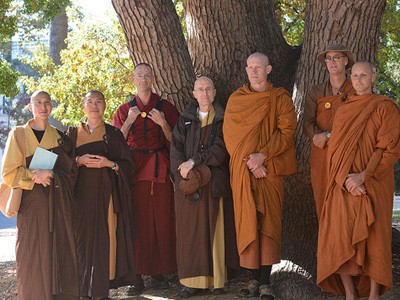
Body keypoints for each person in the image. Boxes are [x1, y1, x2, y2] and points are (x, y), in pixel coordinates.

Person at [317, 61, 400, 300]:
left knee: (376, 239)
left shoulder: (386, 107)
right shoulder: (344, 109)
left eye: (364, 75)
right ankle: (350, 294)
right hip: (343, 184)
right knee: (340, 235)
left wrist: (363, 176)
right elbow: (334, 150)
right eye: (354, 75)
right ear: (350, 78)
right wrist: (344, 179)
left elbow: (390, 149)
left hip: (373, 183)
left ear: (373, 78)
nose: (359, 79)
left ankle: (374, 295)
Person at [223, 52, 297, 299]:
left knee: (269, 225)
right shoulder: (237, 99)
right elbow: (231, 139)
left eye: (259, 67)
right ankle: (251, 280)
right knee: (247, 222)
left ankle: (265, 281)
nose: (254, 71)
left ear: (269, 69)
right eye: (250, 67)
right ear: (246, 70)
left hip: (271, 170)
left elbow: (287, 132)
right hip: (245, 172)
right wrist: (251, 162)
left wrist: (262, 156)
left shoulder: (280, 98)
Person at [1, 90, 79, 299]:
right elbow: (8, 173)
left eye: (47, 102)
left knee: (57, 251)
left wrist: (52, 174)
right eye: (38, 103)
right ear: (30, 107)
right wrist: (34, 175)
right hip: (31, 205)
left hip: (56, 203)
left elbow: (71, 172)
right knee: (32, 252)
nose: (43, 107)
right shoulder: (18, 134)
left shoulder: (60, 138)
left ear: (51, 105)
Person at [113, 63, 179, 294]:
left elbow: (176, 142)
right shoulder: (124, 110)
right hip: (134, 168)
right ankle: (136, 276)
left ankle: (160, 274)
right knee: (137, 220)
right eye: (139, 76)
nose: (143, 79)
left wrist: (163, 123)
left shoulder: (165, 107)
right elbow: (116, 144)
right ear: (133, 79)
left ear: (153, 78)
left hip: (160, 165)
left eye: (147, 75)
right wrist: (129, 122)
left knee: (162, 218)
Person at [170, 76, 240, 298]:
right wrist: (183, 174)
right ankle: (192, 283)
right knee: (190, 233)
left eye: (208, 89)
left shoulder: (222, 118)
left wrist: (195, 161)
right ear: (194, 93)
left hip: (214, 182)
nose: (205, 93)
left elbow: (221, 149)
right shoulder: (185, 119)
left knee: (215, 230)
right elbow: (176, 148)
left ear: (215, 92)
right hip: (189, 184)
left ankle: (217, 280)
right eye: (200, 89)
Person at [66, 91, 136, 299]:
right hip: (80, 198)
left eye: (99, 102)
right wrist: (78, 161)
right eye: (90, 101)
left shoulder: (113, 134)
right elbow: (60, 164)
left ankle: (100, 290)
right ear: (83, 105)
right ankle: (82, 290)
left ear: (105, 106)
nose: (94, 105)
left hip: (107, 196)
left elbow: (129, 165)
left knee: (105, 241)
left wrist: (109, 164)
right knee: (81, 242)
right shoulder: (70, 134)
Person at [303, 42, 356, 219]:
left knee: (347, 201)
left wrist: (330, 135)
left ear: (345, 61)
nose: (332, 62)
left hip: (348, 151)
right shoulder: (316, 91)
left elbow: (359, 121)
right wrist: (317, 136)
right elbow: (307, 122)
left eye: (337, 57)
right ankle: (328, 244)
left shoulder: (355, 89)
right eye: (329, 58)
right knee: (323, 196)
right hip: (322, 152)